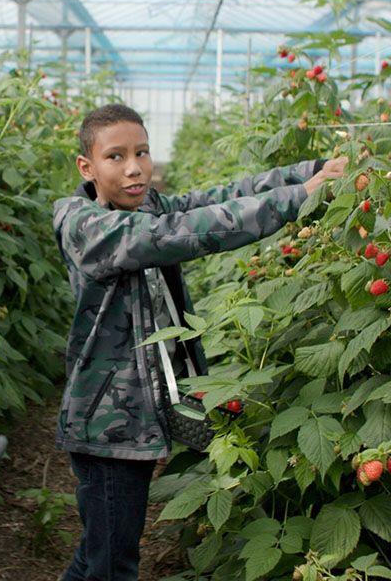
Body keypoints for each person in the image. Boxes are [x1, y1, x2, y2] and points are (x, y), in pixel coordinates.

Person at [53, 104, 346, 581]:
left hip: (132, 418)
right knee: (113, 566)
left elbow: (220, 197)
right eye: (116, 156)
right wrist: (297, 199)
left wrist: (309, 172)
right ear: (86, 167)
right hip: (106, 426)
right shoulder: (85, 226)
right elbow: (182, 232)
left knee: (97, 554)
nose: (134, 167)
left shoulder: (144, 205)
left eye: (142, 152)